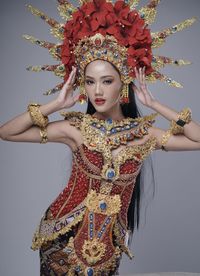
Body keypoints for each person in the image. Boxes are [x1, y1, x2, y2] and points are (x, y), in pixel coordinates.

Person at [1, 0, 200, 275]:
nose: (98, 90)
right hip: (61, 237)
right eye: (90, 81)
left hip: (108, 244)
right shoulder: (75, 129)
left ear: (123, 82)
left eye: (107, 81)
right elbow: (7, 132)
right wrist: (56, 105)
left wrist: (155, 104)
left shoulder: (143, 135)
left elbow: (197, 139)